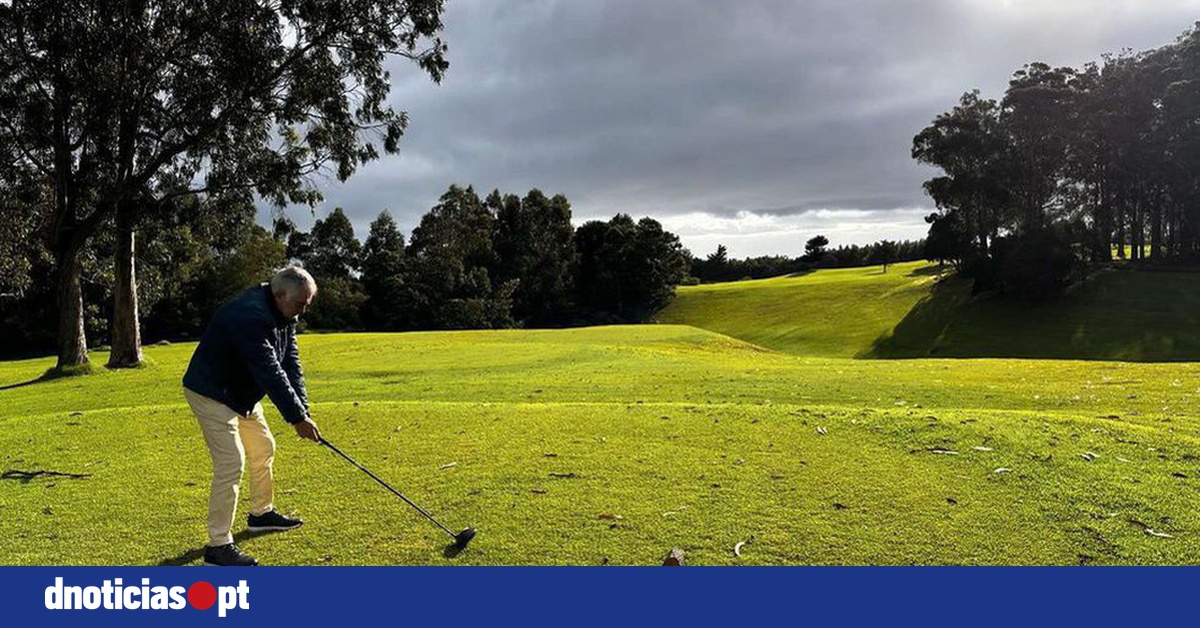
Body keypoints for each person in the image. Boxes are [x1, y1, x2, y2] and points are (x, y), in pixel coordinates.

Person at [182, 266, 322, 566]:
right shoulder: (249, 314)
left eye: (305, 305)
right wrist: (296, 418)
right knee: (231, 463)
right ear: (280, 294)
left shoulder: (285, 313)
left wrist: (304, 410)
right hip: (211, 391)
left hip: (241, 393)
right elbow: (269, 371)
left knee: (263, 447)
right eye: (300, 304)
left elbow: (290, 363)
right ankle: (218, 546)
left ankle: (261, 513)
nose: (301, 312)